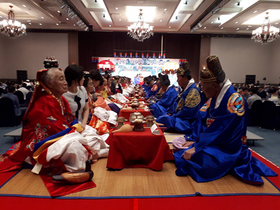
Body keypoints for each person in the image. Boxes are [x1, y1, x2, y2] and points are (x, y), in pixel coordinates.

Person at [173, 55, 277, 185]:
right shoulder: (213, 99)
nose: (202, 90)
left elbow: (223, 131)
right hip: (212, 143)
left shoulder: (235, 100)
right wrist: (194, 140)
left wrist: (197, 146)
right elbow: (201, 120)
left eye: (204, 86)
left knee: (199, 158)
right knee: (183, 150)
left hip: (229, 148)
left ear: (215, 86)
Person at [156, 61, 204, 134]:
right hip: (179, 116)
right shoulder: (186, 89)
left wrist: (174, 115)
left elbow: (188, 112)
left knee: (165, 119)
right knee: (163, 117)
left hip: (187, 122)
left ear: (185, 78)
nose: (177, 80)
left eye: (178, 77)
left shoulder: (193, 91)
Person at [63, 65, 89, 130]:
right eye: (82, 77)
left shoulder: (82, 89)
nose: (84, 79)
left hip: (81, 124)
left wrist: (83, 124)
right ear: (75, 80)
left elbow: (86, 108)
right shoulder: (62, 94)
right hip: (67, 127)